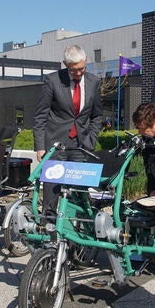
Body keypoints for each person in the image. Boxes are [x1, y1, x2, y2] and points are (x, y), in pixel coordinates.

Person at [33, 45, 103, 213]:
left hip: (81, 145)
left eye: (81, 68)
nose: (78, 73)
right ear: (65, 64)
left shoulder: (94, 82)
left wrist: (90, 140)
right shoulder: (52, 81)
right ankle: (48, 229)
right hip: (55, 145)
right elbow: (40, 116)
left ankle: (75, 234)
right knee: (52, 192)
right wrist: (40, 147)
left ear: (86, 61)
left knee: (78, 193)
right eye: (73, 70)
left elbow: (97, 116)